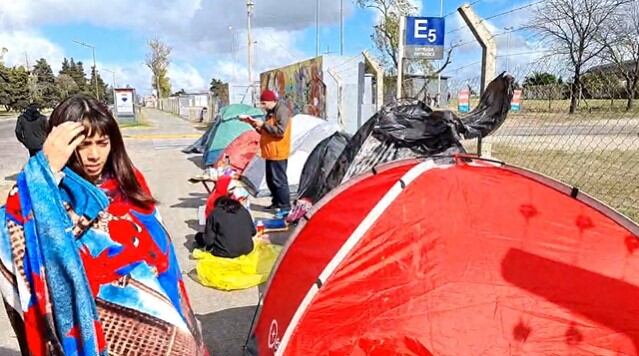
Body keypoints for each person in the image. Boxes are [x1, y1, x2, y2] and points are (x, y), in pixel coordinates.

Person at [0, 94, 208, 356]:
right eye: (84, 145)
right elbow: (14, 229)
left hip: (156, 321)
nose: (94, 155)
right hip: (97, 332)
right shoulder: (48, 196)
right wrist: (46, 167)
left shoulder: (128, 182)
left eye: (102, 143)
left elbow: (161, 256)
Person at [239, 90, 293, 216]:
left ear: (271, 101)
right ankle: (276, 202)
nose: (262, 106)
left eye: (264, 103)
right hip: (269, 151)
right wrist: (254, 124)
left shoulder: (282, 111)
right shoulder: (270, 112)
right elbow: (266, 131)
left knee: (279, 180)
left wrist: (263, 124)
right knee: (271, 180)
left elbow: (280, 132)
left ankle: (285, 207)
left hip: (278, 151)